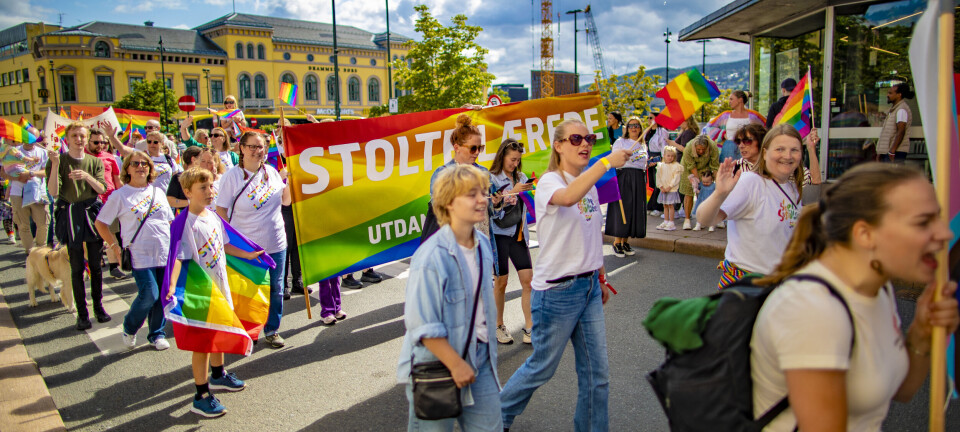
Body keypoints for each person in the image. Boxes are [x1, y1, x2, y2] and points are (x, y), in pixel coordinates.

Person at [749, 163, 958, 431]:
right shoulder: (812, 310)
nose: (944, 233)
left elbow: (897, 390)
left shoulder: (877, 288)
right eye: (923, 222)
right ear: (865, 234)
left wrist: (921, 333)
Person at [500, 119, 629, 431]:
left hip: (587, 289)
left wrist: (601, 277)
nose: (585, 143)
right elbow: (568, 197)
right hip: (557, 293)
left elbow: (591, 234)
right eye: (575, 138)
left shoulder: (588, 185)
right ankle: (494, 417)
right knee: (541, 368)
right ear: (558, 146)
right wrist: (605, 163)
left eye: (589, 137)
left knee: (597, 376)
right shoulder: (548, 183)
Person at [397, 164, 501, 432]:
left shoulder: (483, 244)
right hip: (437, 365)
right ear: (449, 203)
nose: (482, 200)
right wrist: (456, 364)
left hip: (481, 359)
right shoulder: (431, 256)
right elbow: (421, 324)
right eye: (471, 194)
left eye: (483, 192)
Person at [167, 167, 254, 417]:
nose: (209, 192)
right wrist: (172, 286)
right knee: (202, 343)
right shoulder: (183, 223)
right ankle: (201, 394)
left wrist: (248, 254)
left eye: (211, 187)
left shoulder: (213, 216)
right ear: (187, 192)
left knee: (218, 332)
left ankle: (218, 374)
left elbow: (225, 245)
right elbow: (178, 258)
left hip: (219, 286)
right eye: (202, 188)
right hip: (201, 291)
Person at [695, 124, 806, 289]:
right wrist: (719, 194)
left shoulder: (792, 188)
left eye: (794, 150)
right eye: (780, 149)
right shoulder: (751, 182)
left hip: (780, 285)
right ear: (765, 152)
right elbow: (705, 219)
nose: (787, 156)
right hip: (748, 288)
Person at [216, 131, 291, 348]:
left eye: (261, 147)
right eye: (252, 147)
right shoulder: (232, 176)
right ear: (241, 148)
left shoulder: (273, 172)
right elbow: (221, 209)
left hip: (276, 242)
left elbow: (285, 202)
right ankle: (249, 330)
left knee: (276, 289)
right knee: (249, 290)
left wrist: (291, 183)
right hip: (246, 245)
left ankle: (272, 329)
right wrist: (228, 239)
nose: (258, 151)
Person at [94, 151, 174, 351]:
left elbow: (169, 221)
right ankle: (130, 327)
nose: (140, 167)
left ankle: (156, 334)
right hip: (139, 253)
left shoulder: (158, 192)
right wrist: (114, 247)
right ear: (127, 169)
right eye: (135, 163)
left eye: (145, 164)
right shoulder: (119, 195)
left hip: (164, 252)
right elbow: (101, 223)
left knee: (162, 296)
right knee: (149, 294)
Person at [46, 122, 109, 330]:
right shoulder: (60, 160)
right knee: (76, 267)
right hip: (70, 214)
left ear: (87, 137)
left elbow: (101, 188)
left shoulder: (94, 161)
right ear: (67, 138)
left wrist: (86, 176)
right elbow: (54, 192)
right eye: (74, 135)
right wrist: (54, 165)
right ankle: (82, 314)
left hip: (90, 213)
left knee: (96, 265)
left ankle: (99, 308)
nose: (79, 139)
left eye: (82, 135)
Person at [489, 139, 535, 345]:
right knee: (501, 282)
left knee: (528, 281)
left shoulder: (522, 176)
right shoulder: (492, 178)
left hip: (518, 234)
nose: (515, 164)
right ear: (502, 157)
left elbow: (526, 204)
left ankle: (531, 327)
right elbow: (492, 210)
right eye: (511, 159)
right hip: (499, 234)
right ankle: (498, 325)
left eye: (518, 160)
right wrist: (512, 192)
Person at [86, 128, 127, 279]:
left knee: (111, 234)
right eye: (96, 142)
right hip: (90, 202)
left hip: (110, 201)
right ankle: (91, 264)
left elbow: (117, 179)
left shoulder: (110, 157)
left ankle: (114, 266)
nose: (100, 145)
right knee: (92, 237)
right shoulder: (82, 158)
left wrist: (124, 197)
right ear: (88, 141)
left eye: (103, 142)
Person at [605, 116, 648, 257]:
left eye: (636, 125)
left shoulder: (642, 144)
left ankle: (625, 241)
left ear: (641, 128)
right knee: (623, 207)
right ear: (626, 128)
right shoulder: (621, 142)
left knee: (634, 208)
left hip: (638, 178)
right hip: (624, 177)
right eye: (631, 125)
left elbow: (642, 163)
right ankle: (617, 241)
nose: (634, 128)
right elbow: (615, 159)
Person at [734, 123, 821, 188]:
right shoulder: (734, 168)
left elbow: (815, 181)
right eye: (738, 141)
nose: (741, 146)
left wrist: (811, 148)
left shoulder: (782, 165)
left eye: (747, 141)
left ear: (761, 141)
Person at [4, 138, 49, 253]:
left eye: (33, 138)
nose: (30, 141)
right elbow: (3, 172)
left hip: (38, 193)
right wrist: (17, 178)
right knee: (23, 225)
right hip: (18, 193)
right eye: (27, 137)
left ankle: (40, 249)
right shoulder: (13, 151)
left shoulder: (42, 152)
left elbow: (46, 172)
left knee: (43, 223)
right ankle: (30, 253)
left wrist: (31, 173)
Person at [704, 90, 766, 164]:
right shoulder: (725, 115)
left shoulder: (753, 116)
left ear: (740, 100)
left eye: (731, 99)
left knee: (746, 169)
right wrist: (722, 134)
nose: (729, 101)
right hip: (729, 147)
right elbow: (709, 127)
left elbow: (766, 127)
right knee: (728, 170)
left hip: (747, 146)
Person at [679, 135, 719, 230]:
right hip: (688, 169)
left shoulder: (713, 147)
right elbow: (691, 166)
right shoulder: (688, 148)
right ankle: (687, 219)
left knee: (704, 193)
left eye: (703, 149)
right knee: (688, 192)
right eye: (698, 149)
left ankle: (703, 219)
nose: (701, 151)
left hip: (705, 167)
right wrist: (697, 181)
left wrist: (716, 183)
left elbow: (714, 166)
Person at [876, 83, 914, 163]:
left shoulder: (901, 110)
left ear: (899, 95)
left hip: (895, 152)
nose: (887, 95)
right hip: (888, 151)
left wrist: (892, 151)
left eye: (890, 93)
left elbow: (901, 131)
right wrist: (881, 152)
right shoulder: (894, 110)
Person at [642, 113, 669, 215]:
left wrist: (660, 160)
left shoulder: (662, 132)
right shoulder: (647, 131)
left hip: (658, 158)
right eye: (648, 117)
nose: (649, 119)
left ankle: (658, 207)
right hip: (649, 158)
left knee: (658, 183)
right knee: (650, 183)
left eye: (651, 118)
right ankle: (650, 204)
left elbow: (664, 147)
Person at [166, 146, 206, 212]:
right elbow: (170, 200)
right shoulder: (178, 177)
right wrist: (191, 203)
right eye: (202, 159)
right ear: (193, 159)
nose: (204, 162)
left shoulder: (205, 176)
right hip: (184, 215)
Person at [655, 147, 683, 231]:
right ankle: (666, 221)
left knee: (671, 205)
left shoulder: (676, 166)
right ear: (664, 155)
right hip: (663, 189)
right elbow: (658, 176)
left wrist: (670, 186)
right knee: (665, 205)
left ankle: (671, 222)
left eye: (672, 156)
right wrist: (661, 186)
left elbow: (676, 178)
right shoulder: (661, 166)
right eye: (668, 155)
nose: (670, 157)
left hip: (671, 189)